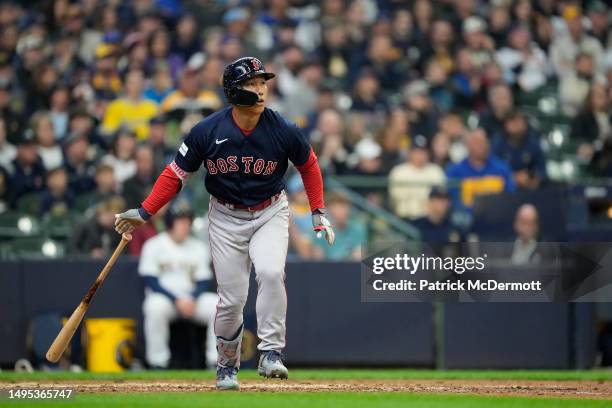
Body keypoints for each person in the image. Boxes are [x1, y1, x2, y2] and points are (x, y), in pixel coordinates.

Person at [114, 57, 334, 390]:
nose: (260, 90)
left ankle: (271, 351)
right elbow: (176, 174)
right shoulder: (208, 130)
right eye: (252, 84)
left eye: (263, 83)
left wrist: (317, 210)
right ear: (233, 91)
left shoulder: (283, 128)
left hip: (270, 210)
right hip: (226, 216)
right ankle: (226, 364)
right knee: (232, 299)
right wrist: (145, 211)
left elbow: (310, 166)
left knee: (272, 273)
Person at [138, 204, 218, 369]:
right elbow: (151, 280)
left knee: (217, 305)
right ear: (170, 222)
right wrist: (177, 300)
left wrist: (192, 299)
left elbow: (203, 280)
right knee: (154, 307)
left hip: (191, 299)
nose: (185, 225)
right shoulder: (154, 245)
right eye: (180, 221)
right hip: (166, 300)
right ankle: (158, 362)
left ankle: (215, 361)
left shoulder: (198, 247)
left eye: (187, 221)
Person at [446, 128, 515, 210]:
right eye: (476, 142)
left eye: (482, 142)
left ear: (488, 144)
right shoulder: (454, 171)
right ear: (468, 145)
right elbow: (450, 200)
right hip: (465, 220)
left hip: (495, 217)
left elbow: (510, 198)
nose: (480, 146)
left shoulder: (502, 169)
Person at [388, 135, 446, 220]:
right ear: (410, 153)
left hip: (430, 220)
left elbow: (441, 197)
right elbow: (396, 198)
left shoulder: (436, 171)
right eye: (416, 152)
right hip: (405, 219)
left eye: (423, 152)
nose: (420, 155)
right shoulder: (398, 172)